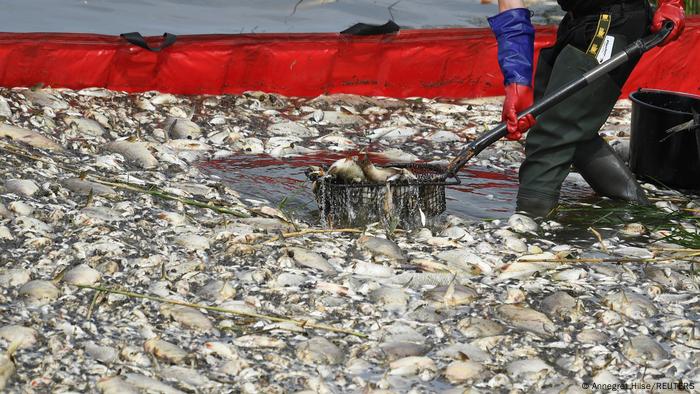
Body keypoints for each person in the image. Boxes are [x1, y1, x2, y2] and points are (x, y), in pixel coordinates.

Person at [489, 0, 686, 218]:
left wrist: (672, 3)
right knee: (567, 122)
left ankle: (529, 224)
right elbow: (511, 8)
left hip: (613, 19)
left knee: (553, 133)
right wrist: (516, 81)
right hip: (578, 19)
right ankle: (639, 213)